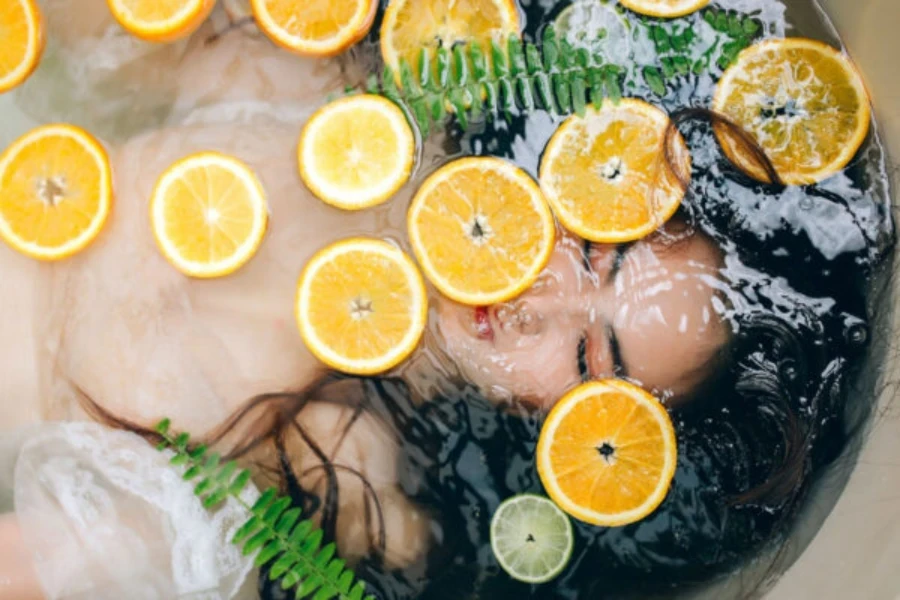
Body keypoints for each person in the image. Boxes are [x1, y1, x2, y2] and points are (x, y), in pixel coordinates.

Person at [0, 1, 888, 598]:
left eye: (586, 359)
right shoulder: (336, 90)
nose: (539, 294)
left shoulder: (335, 467)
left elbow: (50, 563)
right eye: (593, 248)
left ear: (555, 426)